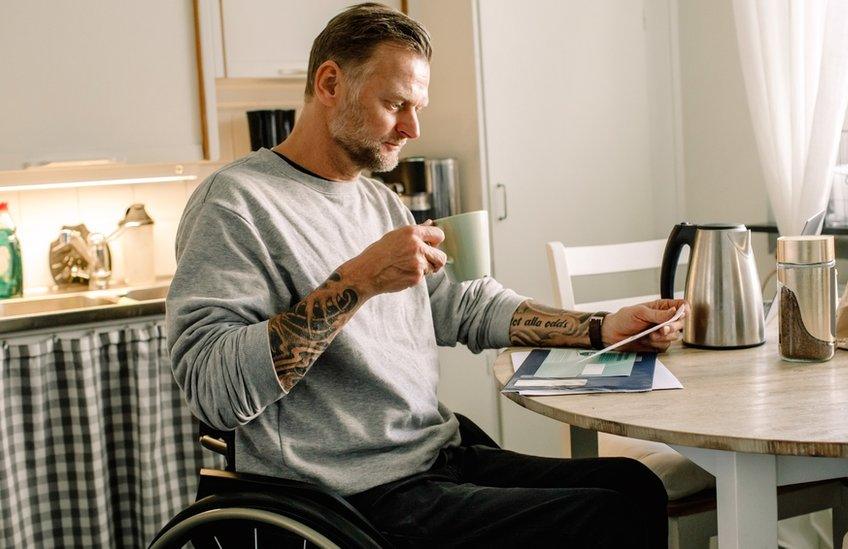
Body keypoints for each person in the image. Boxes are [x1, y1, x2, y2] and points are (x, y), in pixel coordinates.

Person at [167, 3, 687, 547]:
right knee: (606, 518)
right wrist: (359, 281)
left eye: (418, 107)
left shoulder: (379, 202)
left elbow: (462, 305)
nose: (413, 128)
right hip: (346, 493)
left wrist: (603, 328)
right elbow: (212, 389)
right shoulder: (235, 203)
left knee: (635, 486)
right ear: (329, 83)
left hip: (430, 456)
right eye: (395, 104)